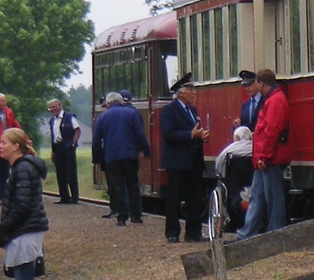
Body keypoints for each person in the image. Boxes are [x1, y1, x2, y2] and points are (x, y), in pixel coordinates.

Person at [0, 128, 48, 280]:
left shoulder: (23, 169)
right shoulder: (22, 168)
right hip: (25, 230)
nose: (0, 146)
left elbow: (23, 203)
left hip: (24, 231)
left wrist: (6, 225)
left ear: (15, 146)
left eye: (4, 142)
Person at [235, 69, 289, 240]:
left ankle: (275, 235)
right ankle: (247, 233)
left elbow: (272, 130)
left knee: (273, 198)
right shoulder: (272, 99)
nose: (254, 85)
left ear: (261, 83)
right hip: (263, 157)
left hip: (270, 158)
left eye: (255, 82)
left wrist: (264, 156)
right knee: (257, 196)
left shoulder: (274, 101)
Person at [159, 73, 210, 242]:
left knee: (194, 198)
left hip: (193, 160)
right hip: (177, 161)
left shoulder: (192, 110)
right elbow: (168, 133)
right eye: (190, 89)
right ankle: (172, 233)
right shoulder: (169, 110)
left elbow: (194, 131)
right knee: (173, 198)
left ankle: (193, 232)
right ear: (180, 92)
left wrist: (201, 136)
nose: (194, 93)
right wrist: (190, 135)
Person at [92, 90, 149, 226]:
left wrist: (97, 159)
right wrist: (145, 150)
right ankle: (136, 215)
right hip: (130, 155)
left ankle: (121, 217)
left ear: (108, 103)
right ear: (121, 101)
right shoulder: (132, 113)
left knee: (117, 186)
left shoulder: (102, 117)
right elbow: (140, 134)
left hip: (111, 157)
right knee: (133, 184)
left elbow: (96, 141)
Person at [214, 125, 253, 231]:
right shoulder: (255, 148)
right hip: (252, 185)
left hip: (234, 186)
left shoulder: (229, 149)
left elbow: (218, 166)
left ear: (237, 138)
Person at [45, 98, 82, 204]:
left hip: (68, 146)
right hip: (57, 147)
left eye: (53, 107)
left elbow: (77, 130)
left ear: (59, 106)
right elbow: (53, 136)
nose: (52, 109)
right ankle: (64, 197)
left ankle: (75, 197)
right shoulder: (52, 121)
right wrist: (53, 152)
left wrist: (73, 143)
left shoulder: (69, 117)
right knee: (60, 173)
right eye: (50, 107)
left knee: (71, 172)